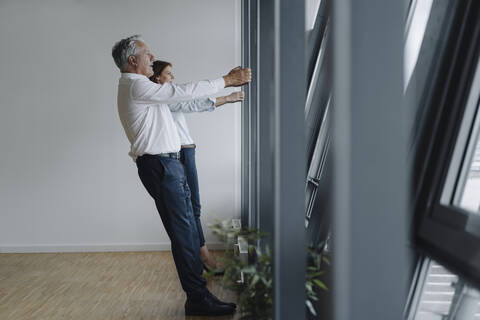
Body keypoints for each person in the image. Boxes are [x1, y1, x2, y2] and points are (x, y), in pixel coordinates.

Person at [111, 35, 251, 316]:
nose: (152, 57)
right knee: (184, 234)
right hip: (161, 166)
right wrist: (226, 79)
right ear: (133, 60)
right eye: (147, 53)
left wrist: (224, 94)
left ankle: (198, 296)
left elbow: (182, 101)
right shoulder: (136, 86)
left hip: (166, 165)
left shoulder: (140, 88)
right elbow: (182, 93)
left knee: (185, 232)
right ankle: (198, 298)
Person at [149, 60, 244, 272]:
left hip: (185, 151)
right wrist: (227, 98)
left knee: (193, 208)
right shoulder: (161, 96)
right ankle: (203, 257)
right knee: (192, 208)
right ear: (157, 78)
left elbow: (190, 101)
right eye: (168, 74)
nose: (172, 77)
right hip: (181, 153)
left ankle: (201, 256)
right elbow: (191, 104)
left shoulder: (162, 96)